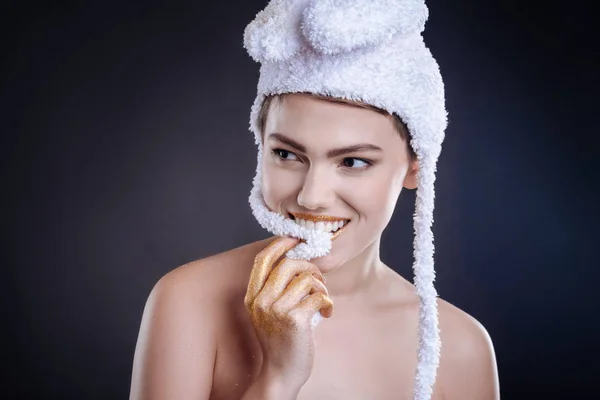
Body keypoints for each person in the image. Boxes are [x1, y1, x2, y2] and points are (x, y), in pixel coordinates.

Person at [129, 1, 500, 399]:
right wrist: (278, 377)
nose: (311, 196)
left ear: (415, 167)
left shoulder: (460, 347)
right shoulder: (189, 302)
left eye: (353, 161)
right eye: (287, 155)